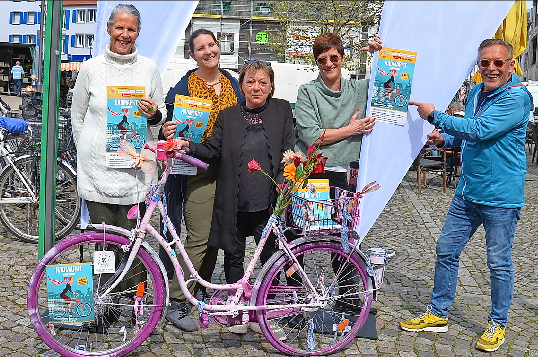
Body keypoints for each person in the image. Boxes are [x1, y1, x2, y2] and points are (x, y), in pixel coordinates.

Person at [401, 39, 531, 353]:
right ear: (478, 65)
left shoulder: (517, 98)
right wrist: (445, 137)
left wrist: (435, 117)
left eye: (498, 63)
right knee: (446, 249)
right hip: (468, 192)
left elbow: (480, 130)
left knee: (498, 263)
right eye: (485, 62)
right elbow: (466, 134)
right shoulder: (475, 92)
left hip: (500, 196)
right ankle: (438, 313)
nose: (491, 68)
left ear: (510, 65)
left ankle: (498, 323)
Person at [164, 60, 295, 335]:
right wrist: (188, 144)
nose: (256, 87)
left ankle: (265, 311)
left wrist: (284, 184)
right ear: (242, 86)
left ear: (271, 86)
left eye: (262, 82)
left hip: (267, 201)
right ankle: (238, 310)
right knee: (233, 256)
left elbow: (287, 149)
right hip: (234, 199)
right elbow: (212, 149)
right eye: (250, 81)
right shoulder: (228, 115)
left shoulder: (282, 110)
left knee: (269, 257)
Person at [71, 4, 165, 307]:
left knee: (134, 244)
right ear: (109, 29)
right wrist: (88, 152)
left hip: (135, 173)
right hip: (98, 173)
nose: (125, 34)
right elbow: (78, 116)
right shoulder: (90, 68)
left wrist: (153, 115)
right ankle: (105, 304)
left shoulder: (149, 69)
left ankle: (135, 305)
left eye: (131, 29)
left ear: (138, 33)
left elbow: (160, 120)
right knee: (103, 246)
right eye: (119, 28)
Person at [160, 28, 244, 332]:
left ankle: (198, 289)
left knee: (216, 236)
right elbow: (169, 129)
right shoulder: (184, 88)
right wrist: (167, 131)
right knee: (197, 235)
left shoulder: (233, 83)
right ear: (192, 54)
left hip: (230, 170)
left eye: (212, 45)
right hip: (197, 169)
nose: (209, 51)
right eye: (201, 48)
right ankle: (177, 299)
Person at [295, 32, 380, 191]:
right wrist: (351, 129)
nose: (329, 64)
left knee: (342, 217)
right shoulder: (307, 92)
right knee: (316, 217)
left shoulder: (358, 90)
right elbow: (312, 136)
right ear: (317, 63)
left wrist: (379, 55)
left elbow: (393, 84)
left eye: (334, 58)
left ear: (342, 58)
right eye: (322, 60)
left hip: (345, 173)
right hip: (312, 172)